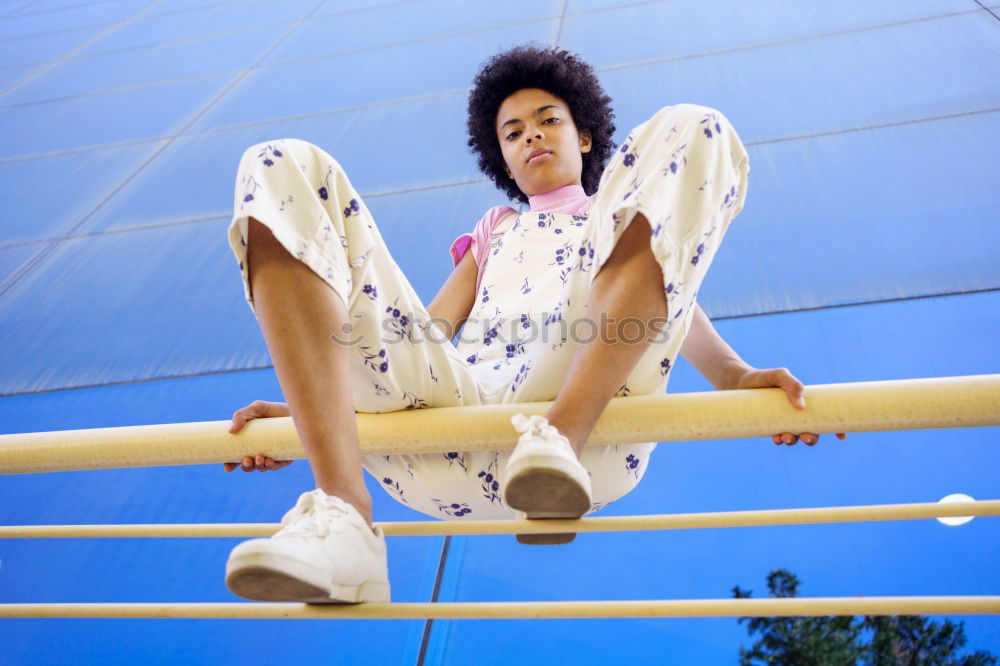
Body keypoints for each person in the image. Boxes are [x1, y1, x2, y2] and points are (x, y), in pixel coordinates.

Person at [220, 44, 845, 605]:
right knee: (278, 163)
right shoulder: (495, 230)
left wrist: (735, 377)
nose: (533, 136)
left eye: (550, 119)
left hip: (581, 419)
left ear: (587, 137)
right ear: (504, 161)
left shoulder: (620, 223)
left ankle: (558, 445)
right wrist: (310, 409)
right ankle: (345, 516)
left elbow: (673, 314)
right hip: (447, 437)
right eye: (512, 132)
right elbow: (424, 336)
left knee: (696, 127)